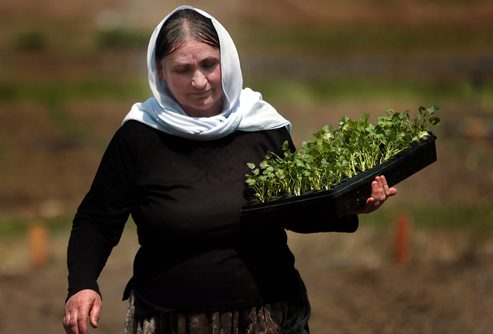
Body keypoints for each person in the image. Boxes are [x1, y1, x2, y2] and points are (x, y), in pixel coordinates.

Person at [62, 5, 397, 334]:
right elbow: (98, 218)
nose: (199, 81)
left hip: (267, 317)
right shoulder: (139, 137)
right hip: (172, 320)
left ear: (228, 61)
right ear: (160, 72)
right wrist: (82, 284)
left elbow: (294, 211)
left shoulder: (261, 126)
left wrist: (351, 205)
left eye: (209, 64)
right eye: (182, 69)